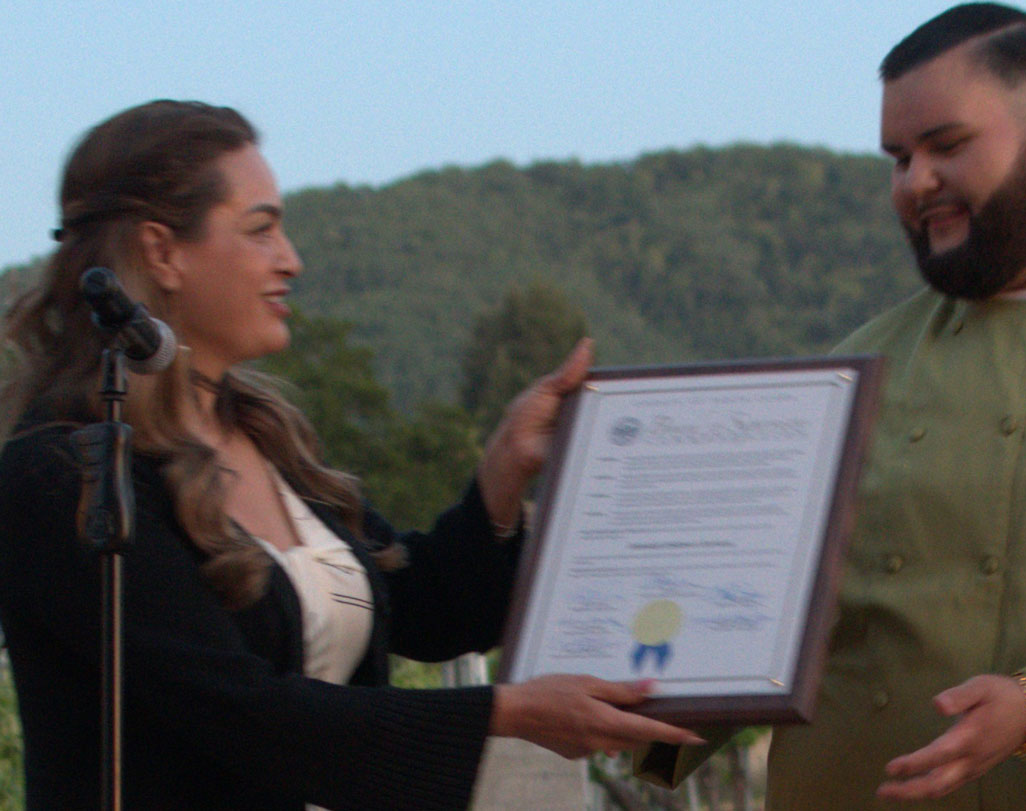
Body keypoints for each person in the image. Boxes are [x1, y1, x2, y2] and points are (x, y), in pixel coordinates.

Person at [0, 100, 704, 811]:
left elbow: (420, 609)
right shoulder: (61, 476)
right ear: (162, 252)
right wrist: (507, 713)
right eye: (261, 229)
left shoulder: (267, 440)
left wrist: (504, 469)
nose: (291, 259)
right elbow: (239, 711)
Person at [766, 4, 1026, 809]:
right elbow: (754, 597)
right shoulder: (850, 371)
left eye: (947, 146)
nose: (916, 183)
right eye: (899, 158)